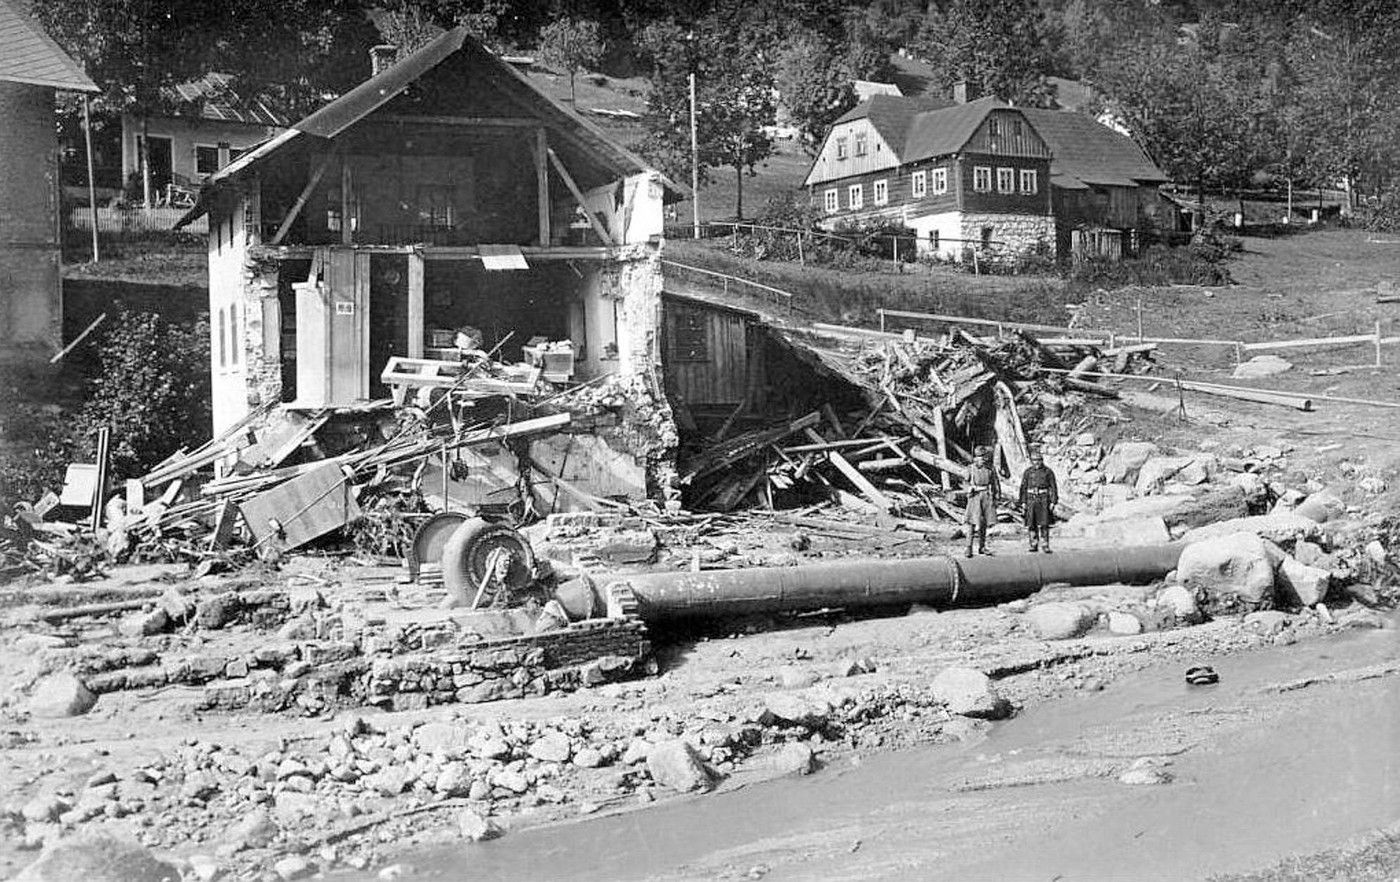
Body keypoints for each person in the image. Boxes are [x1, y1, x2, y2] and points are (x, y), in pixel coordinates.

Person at [1018, 449, 1059, 553]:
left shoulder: (1048, 472)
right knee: (1031, 522)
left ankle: (1045, 544)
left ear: (1042, 460)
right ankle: (1033, 544)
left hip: (1043, 499)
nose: (1036, 462)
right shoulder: (1028, 472)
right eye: (1034, 460)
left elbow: (1053, 487)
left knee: (1044, 523)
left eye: (1038, 460)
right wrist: (1023, 502)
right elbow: (1023, 488)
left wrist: (1053, 502)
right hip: (1031, 499)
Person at [964, 446, 1000, 558]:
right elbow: (965, 482)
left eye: (984, 457)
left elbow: (995, 484)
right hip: (974, 497)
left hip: (986, 497)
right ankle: (968, 547)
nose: (983, 459)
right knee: (971, 523)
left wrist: (996, 496)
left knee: (983, 523)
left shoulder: (990, 469)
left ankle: (982, 546)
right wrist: (968, 489)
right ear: (975, 458)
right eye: (980, 457)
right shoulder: (971, 468)